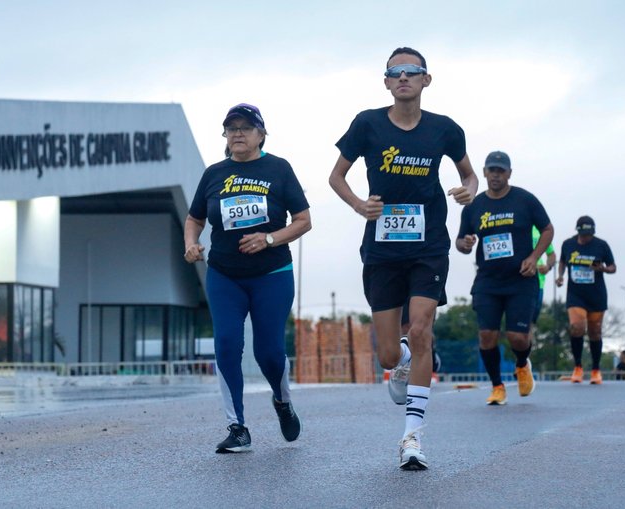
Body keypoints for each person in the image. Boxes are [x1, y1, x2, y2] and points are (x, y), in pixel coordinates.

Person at [329, 47, 478, 470]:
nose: (403, 78)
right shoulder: (367, 124)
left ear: (426, 79)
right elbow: (335, 176)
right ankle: (404, 357)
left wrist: (469, 188)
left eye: (412, 71)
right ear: (386, 82)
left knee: (423, 327)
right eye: (395, 72)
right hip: (382, 248)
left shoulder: (445, 129)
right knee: (390, 357)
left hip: (429, 244)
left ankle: (411, 437)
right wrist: (360, 205)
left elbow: (469, 174)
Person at [184, 103, 311, 453]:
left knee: (268, 351)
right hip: (225, 275)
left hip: (272, 274)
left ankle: (282, 401)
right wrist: (191, 243)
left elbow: (303, 220)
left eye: (245, 127)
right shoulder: (214, 173)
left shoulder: (278, 168)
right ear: (225, 135)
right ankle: (237, 426)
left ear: (261, 134)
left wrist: (268, 238)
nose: (237, 133)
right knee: (226, 345)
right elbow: (194, 218)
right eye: (231, 128)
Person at [456, 150, 554, 405]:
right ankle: (497, 386)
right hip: (488, 281)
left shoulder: (524, 200)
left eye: (501, 170)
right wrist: (465, 243)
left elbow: (547, 229)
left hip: (521, 280)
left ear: (509, 173)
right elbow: (461, 240)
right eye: (492, 170)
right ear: (485, 172)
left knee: (518, 337)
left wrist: (534, 257)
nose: (496, 175)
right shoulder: (475, 206)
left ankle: (522, 364)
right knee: (487, 335)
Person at [555, 216, 616, 385]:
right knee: (577, 326)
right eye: (583, 235)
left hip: (596, 294)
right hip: (576, 294)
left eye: (589, 235)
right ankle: (578, 367)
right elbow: (562, 261)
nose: (586, 238)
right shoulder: (568, 244)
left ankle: (596, 369)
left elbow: (613, 267)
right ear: (578, 232)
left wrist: (602, 268)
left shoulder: (601, 245)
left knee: (595, 331)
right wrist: (560, 276)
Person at [531, 225, 556, 325]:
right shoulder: (515, 224)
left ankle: (530, 340)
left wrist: (548, 267)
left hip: (538, 283)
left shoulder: (540, 229)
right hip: (518, 282)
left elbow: (551, 254)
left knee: (531, 321)